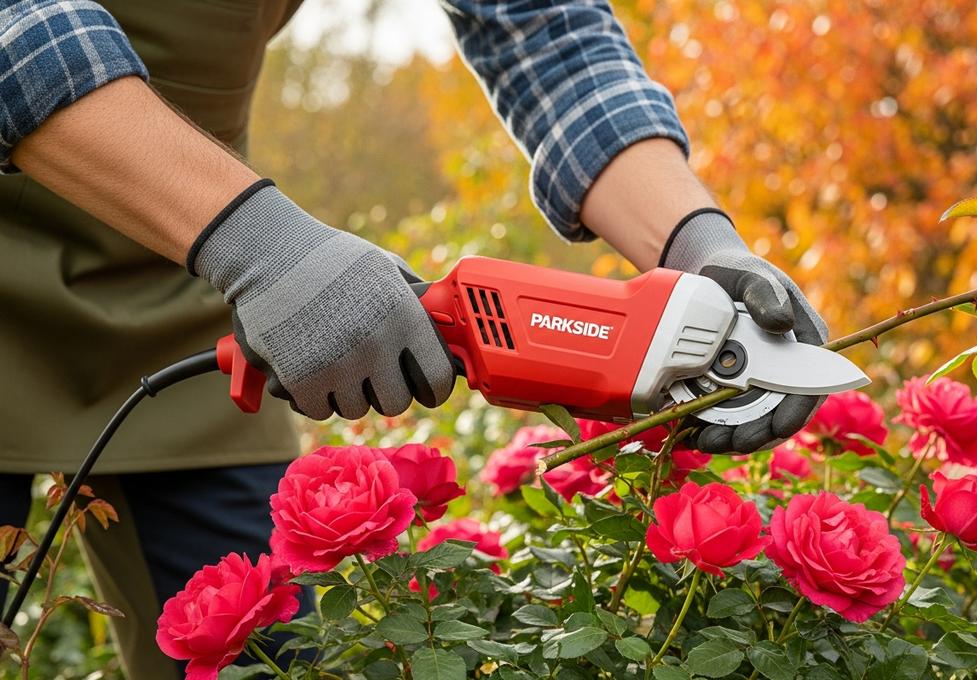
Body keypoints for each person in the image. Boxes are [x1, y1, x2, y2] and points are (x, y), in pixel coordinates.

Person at [0, 0, 827, 676]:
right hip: (217, 232)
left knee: (280, 656)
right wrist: (260, 243)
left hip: (188, 280)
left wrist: (695, 243)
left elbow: (544, 33)